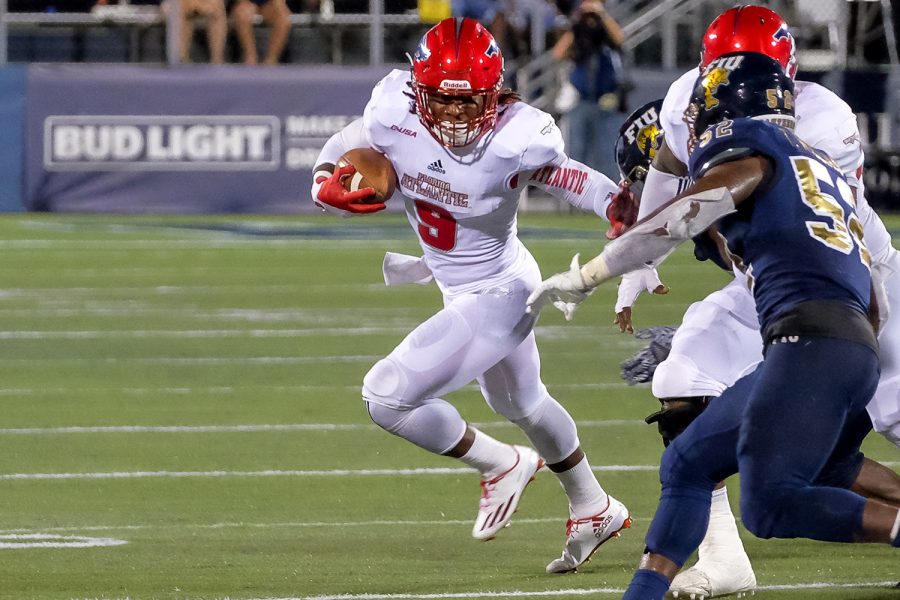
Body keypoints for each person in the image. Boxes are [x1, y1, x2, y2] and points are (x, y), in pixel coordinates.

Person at [526, 51, 900, 600]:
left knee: (771, 502)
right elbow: (876, 303)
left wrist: (590, 274)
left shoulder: (752, 145)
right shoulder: (823, 173)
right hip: (833, 340)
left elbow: (687, 213)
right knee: (688, 461)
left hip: (814, 340)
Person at [310, 17, 635, 574]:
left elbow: (571, 178)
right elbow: (348, 141)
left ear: (495, 92)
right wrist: (323, 177)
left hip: (502, 289)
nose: (457, 115)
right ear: (419, 91)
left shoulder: (517, 137)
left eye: (471, 102)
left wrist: (615, 204)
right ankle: (594, 505)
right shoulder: (393, 111)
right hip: (459, 285)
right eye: (444, 100)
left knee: (385, 397)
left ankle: (499, 463)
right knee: (521, 403)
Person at [551, 0, 626, 179]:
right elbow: (558, 53)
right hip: (579, 100)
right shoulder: (577, 28)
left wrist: (602, 15)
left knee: (607, 152)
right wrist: (577, 22)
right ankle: (573, 201)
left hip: (606, 100)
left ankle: (610, 197)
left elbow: (620, 39)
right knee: (575, 153)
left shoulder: (606, 26)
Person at [231, 0, 292, 65]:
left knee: (283, 18)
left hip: (271, 4)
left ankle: (271, 60)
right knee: (241, 13)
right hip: (248, 3)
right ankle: (250, 57)